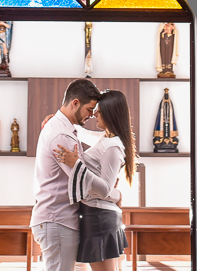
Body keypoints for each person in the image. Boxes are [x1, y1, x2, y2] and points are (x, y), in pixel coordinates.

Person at [54, 90, 135, 271]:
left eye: (99, 109)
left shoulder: (112, 146)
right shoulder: (106, 138)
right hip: (97, 214)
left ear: (110, 112)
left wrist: (76, 165)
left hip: (99, 216)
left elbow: (105, 189)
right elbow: (80, 132)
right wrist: (57, 120)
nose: (95, 113)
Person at [31, 78, 103, 271]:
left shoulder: (62, 128)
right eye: (89, 109)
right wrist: (110, 191)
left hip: (59, 219)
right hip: (57, 219)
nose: (91, 116)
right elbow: (82, 183)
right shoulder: (62, 134)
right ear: (75, 103)